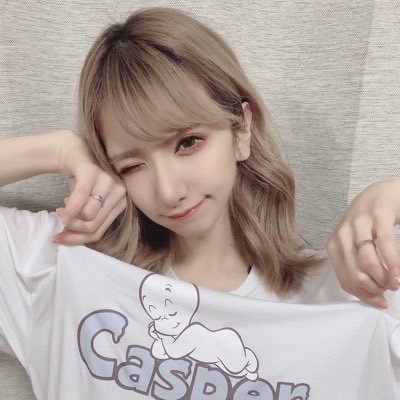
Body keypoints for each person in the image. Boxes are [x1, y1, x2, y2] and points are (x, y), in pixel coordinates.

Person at [0, 6, 399, 399]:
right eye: (132, 165)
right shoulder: (64, 269)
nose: (168, 191)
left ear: (241, 130)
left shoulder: (351, 295)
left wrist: (390, 195)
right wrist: (57, 150)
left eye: (188, 143)